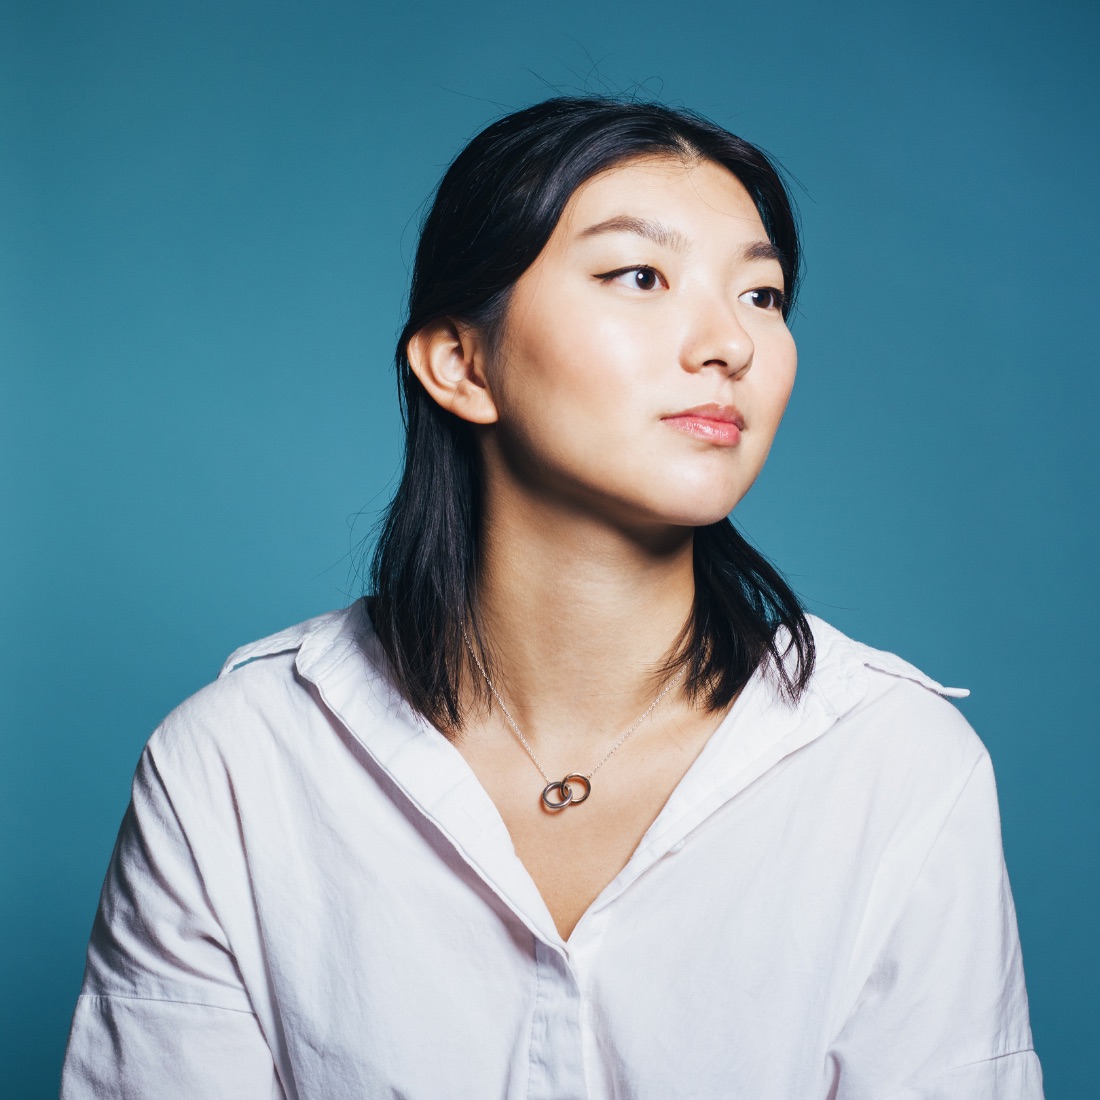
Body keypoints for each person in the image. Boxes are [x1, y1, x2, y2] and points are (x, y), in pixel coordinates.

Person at [60, 97, 1043, 1098]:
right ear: (461, 362)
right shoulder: (236, 764)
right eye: (640, 276)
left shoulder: (894, 765)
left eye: (761, 294)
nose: (730, 344)